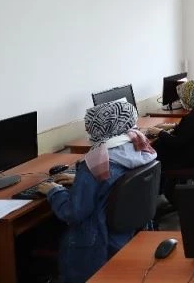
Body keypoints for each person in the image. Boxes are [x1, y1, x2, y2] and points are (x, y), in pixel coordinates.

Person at [37, 100, 157, 283]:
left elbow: (73, 213)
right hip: (128, 235)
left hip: (97, 243)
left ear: (100, 127)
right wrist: (80, 180)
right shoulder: (139, 148)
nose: (87, 129)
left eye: (90, 124)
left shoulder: (96, 164)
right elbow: (113, 182)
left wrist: (54, 191)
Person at [150, 79, 194, 171]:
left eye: (185, 94)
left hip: (186, 158)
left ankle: (160, 179)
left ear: (192, 95)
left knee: (152, 148)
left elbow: (177, 142)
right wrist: (174, 126)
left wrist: (159, 132)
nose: (183, 98)